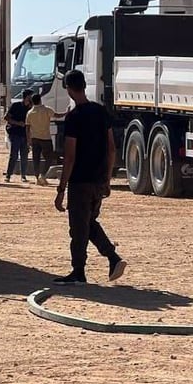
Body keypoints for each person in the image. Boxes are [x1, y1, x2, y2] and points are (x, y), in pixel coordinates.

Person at [53, 69, 126, 285]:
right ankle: (112, 258)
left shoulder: (74, 117)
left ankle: (80, 271)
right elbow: (112, 148)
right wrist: (107, 179)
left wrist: (61, 189)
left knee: (78, 227)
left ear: (68, 89)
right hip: (98, 179)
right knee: (89, 222)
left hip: (80, 181)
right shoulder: (100, 111)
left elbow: (70, 156)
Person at [27, 94, 58, 186]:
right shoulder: (46, 110)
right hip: (45, 138)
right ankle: (42, 174)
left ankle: (38, 178)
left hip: (35, 138)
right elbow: (57, 115)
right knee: (49, 157)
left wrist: (28, 140)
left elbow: (27, 128)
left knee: (36, 159)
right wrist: (67, 112)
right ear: (40, 100)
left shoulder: (30, 112)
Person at [4, 90, 32, 184]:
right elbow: (7, 118)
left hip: (25, 134)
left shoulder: (31, 108)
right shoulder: (16, 106)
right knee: (14, 155)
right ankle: (8, 175)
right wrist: (18, 123)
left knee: (24, 156)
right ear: (27, 97)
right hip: (15, 133)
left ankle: (23, 176)